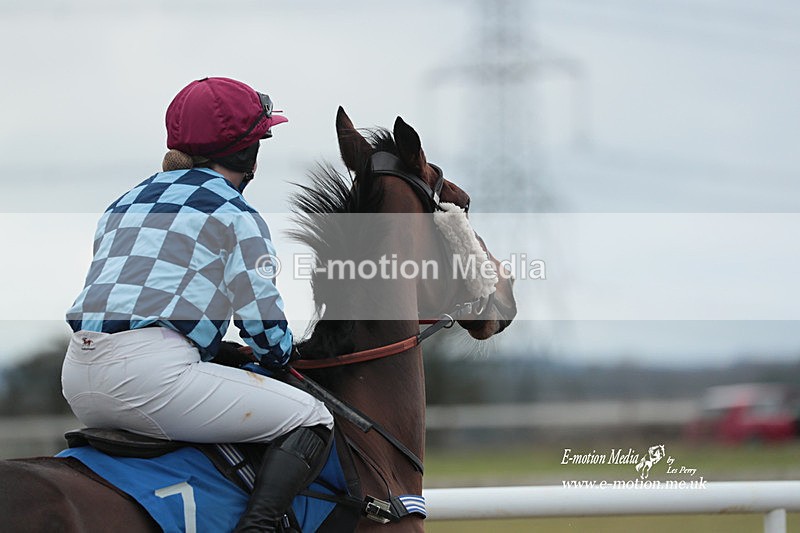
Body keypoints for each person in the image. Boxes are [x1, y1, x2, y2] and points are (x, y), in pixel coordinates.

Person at [62, 76, 334, 532]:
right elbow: (263, 325)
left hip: (78, 377)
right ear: (248, 153)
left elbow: (146, 299)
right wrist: (282, 358)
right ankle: (259, 527)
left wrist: (215, 349)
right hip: (150, 377)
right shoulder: (236, 212)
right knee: (313, 416)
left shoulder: (123, 202)